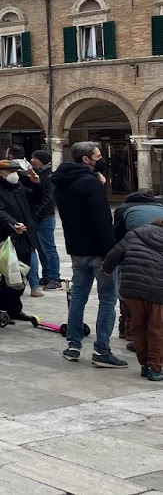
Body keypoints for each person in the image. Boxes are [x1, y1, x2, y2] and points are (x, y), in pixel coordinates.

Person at [53, 141, 127, 368]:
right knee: (107, 298)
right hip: (98, 249)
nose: (101, 158)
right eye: (97, 155)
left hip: (77, 249)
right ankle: (102, 350)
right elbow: (101, 220)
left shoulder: (62, 183)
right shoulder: (89, 184)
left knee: (78, 296)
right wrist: (110, 252)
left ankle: (73, 345)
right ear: (86, 159)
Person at [103, 218, 163, 381]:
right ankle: (156, 368)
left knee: (138, 326)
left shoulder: (136, 234)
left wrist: (106, 269)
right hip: (159, 292)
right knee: (157, 329)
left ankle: (144, 365)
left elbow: (114, 254)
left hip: (133, 290)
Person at [0, 159, 42, 323]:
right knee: (9, 275)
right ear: (1, 172)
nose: (15, 175)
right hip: (9, 238)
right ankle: (3, 309)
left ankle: (15, 309)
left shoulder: (17, 186)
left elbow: (35, 199)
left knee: (22, 274)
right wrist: (12, 224)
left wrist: (36, 183)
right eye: (11, 172)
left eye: (16, 171)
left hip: (26, 236)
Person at [112, 192, 163, 351]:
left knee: (127, 288)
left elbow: (116, 238)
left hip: (132, 255)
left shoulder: (123, 210)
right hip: (158, 260)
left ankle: (127, 330)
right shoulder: (160, 208)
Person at [30, 149, 63, 291]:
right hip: (38, 216)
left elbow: (50, 199)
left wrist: (39, 214)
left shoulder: (49, 176)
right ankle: (47, 274)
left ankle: (55, 278)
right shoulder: (39, 173)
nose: (31, 160)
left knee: (49, 248)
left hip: (45, 217)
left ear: (41, 159)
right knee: (41, 249)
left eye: (34, 157)